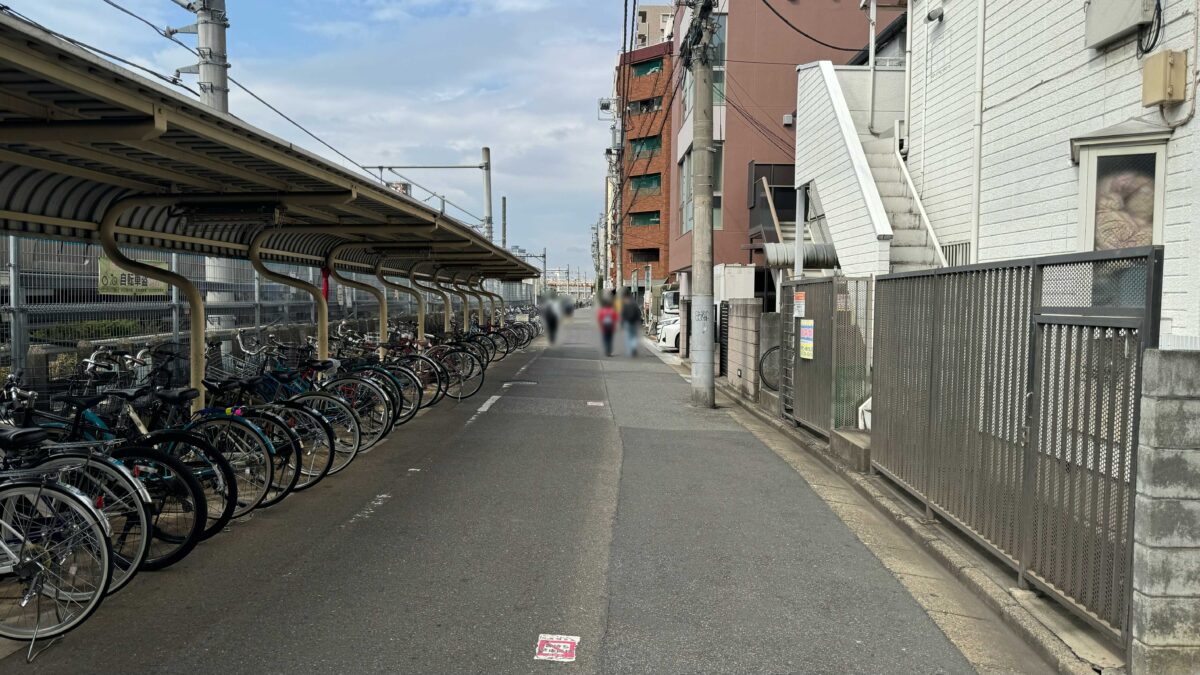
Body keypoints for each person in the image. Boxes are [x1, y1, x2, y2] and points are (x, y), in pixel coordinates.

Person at [620, 288, 643, 357]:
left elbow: (622, 314)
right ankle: (633, 348)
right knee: (634, 336)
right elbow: (639, 313)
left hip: (627, 322)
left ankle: (630, 352)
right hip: (634, 322)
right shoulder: (634, 303)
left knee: (628, 336)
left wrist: (621, 324)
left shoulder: (624, 304)